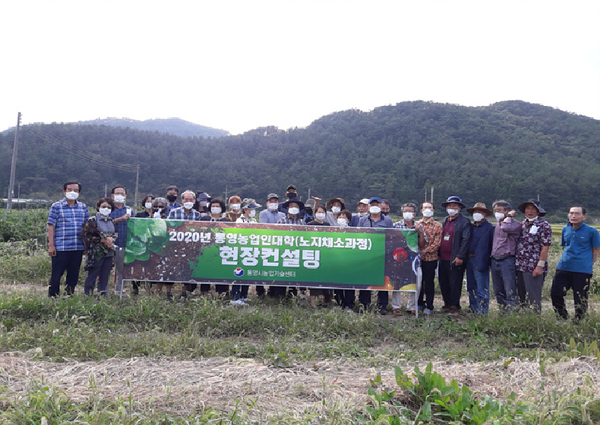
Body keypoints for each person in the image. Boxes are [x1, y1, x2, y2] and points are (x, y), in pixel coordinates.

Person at [551, 206, 600, 323]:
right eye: (571, 213)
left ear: (584, 216)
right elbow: (565, 246)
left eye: (577, 213)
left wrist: (589, 264)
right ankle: (562, 318)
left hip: (582, 269)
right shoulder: (565, 229)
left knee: (580, 297)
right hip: (563, 266)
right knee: (555, 293)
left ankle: (578, 321)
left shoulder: (592, 231)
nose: (574, 216)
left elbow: (596, 250)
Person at [47, 181, 90, 297]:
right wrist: (51, 245)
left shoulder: (83, 207)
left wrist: (86, 244)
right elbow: (51, 225)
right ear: (64, 191)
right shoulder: (56, 206)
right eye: (69, 190)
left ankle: (69, 295)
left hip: (77, 247)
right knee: (57, 274)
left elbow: (86, 227)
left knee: (73, 274)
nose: (72, 192)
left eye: (75, 190)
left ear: (79, 192)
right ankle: (53, 296)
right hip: (61, 247)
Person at [358, 197, 393, 314]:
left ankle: (382, 306)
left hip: (382, 254)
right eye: (372, 204)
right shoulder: (363, 220)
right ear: (368, 207)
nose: (374, 206)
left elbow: (391, 236)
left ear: (380, 206)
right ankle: (364, 304)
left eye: (376, 204)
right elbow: (359, 235)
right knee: (365, 279)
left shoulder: (387, 220)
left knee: (382, 279)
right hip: (366, 254)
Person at [515, 199, 552, 314]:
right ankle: (524, 317)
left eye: (533, 209)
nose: (530, 211)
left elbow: (545, 247)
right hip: (520, 266)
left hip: (533, 267)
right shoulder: (523, 223)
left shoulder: (543, 225)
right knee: (521, 295)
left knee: (533, 296)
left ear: (538, 211)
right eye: (527, 208)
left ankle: (535, 319)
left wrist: (540, 266)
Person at [438, 196, 471, 316]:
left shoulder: (464, 222)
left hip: (455, 258)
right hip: (443, 258)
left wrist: (460, 256)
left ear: (460, 208)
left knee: (455, 283)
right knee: (443, 282)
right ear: (446, 207)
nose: (452, 208)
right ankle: (446, 304)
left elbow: (465, 240)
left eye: (455, 206)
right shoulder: (445, 220)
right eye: (450, 206)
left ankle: (455, 307)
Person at [391, 202, 426, 316]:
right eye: (405, 211)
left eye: (410, 211)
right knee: (396, 283)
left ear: (414, 214)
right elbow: (390, 242)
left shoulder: (419, 226)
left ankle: (412, 306)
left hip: (415, 260)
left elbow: (422, 244)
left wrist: (419, 231)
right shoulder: (396, 226)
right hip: (399, 260)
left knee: (417, 283)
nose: (407, 213)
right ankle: (396, 306)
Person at [167, 190, 203, 298]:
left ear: (194, 201)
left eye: (190, 199)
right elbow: (168, 226)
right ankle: (169, 292)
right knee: (172, 268)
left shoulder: (197, 214)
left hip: (190, 246)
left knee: (187, 268)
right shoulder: (174, 212)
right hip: (175, 245)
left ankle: (184, 292)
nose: (188, 201)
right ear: (182, 200)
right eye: (186, 199)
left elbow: (199, 230)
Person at [82, 197, 117, 298]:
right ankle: (88, 295)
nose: (106, 209)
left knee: (105, 274)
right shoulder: (92, 220)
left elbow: (114, 234)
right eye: (103, 206)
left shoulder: (111, 221)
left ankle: (103, 295)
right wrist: (102, 240)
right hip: (96, 253)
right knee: (93, 273)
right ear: (98, 207)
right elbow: (86, 235)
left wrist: (111, 240)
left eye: (108, 207)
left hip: (109, 252)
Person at [490, 200, 521, 313]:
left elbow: (506, 228)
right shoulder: (498, 225)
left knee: (510, 290)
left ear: (508, 211)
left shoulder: (515, 224)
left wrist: (509, 217)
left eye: (499, 210)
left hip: (507, 261)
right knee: (498, 290)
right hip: (495, 260)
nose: (496, 213)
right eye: (495, 211)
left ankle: (511, 314)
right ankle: (502, 312)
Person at [465, 202, 495, 315]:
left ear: (485, 214)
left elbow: (492, 246)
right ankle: (473, 307)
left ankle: (483, 311)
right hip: (469, 259)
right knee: (471, 286)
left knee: (482, 287)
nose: (477, 214)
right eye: (475, 212)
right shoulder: (470, 227)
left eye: (480, 212)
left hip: (481, 260)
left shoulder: (490, 228)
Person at [231, 198, 262, 305]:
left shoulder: (254, 221)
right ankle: (234, 297)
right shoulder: (240, 220)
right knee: (239, 273)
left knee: (247, 274)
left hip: (251, 249)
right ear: (245, 210)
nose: (254, 211)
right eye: (252, 209)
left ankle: (244, 295)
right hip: (241, 250)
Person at [201, 198, 231, 297]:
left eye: (217, 206)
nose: (215, 208)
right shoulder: (204, 218)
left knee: (220, 271)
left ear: (222, 208)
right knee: (205, 270)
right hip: (206, 249)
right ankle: (205, 293)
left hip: (221, 249)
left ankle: (221, 294)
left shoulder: (226, 220)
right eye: (213, 206)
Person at [417, 201, 442, 315]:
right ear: (421, 210)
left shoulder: (438, 225)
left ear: (433, 211)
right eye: (425, 207)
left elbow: (437, 243)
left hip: (431, 259)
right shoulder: (417, 224)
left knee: (429, 283)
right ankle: (419, 303)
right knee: (418, 283)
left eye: (430, 208)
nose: (428, 209)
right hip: (417, 259)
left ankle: (430, 305)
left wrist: (424, 251)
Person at [306, 205, 333, 307]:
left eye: (322, 212)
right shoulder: (310, 224)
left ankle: (324, 301)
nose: (320, 214)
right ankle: (313, 302)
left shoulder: (327, 225)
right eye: (319, 212)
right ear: (315, 213)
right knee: (314, 280)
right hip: (313, 254)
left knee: (324, 279)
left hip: (325, 255)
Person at [109, 185, 133, 296]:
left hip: (123, 244)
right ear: (112, 195)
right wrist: (120, 219)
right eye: (117, 193)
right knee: (106, 269)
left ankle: (118, 291)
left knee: (121, 270)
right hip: (109, 244)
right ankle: (103, 290)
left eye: (122, 194)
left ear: (125, 196)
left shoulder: (129, 210)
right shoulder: (108, 208)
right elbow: (104, 223)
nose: (119, 196)